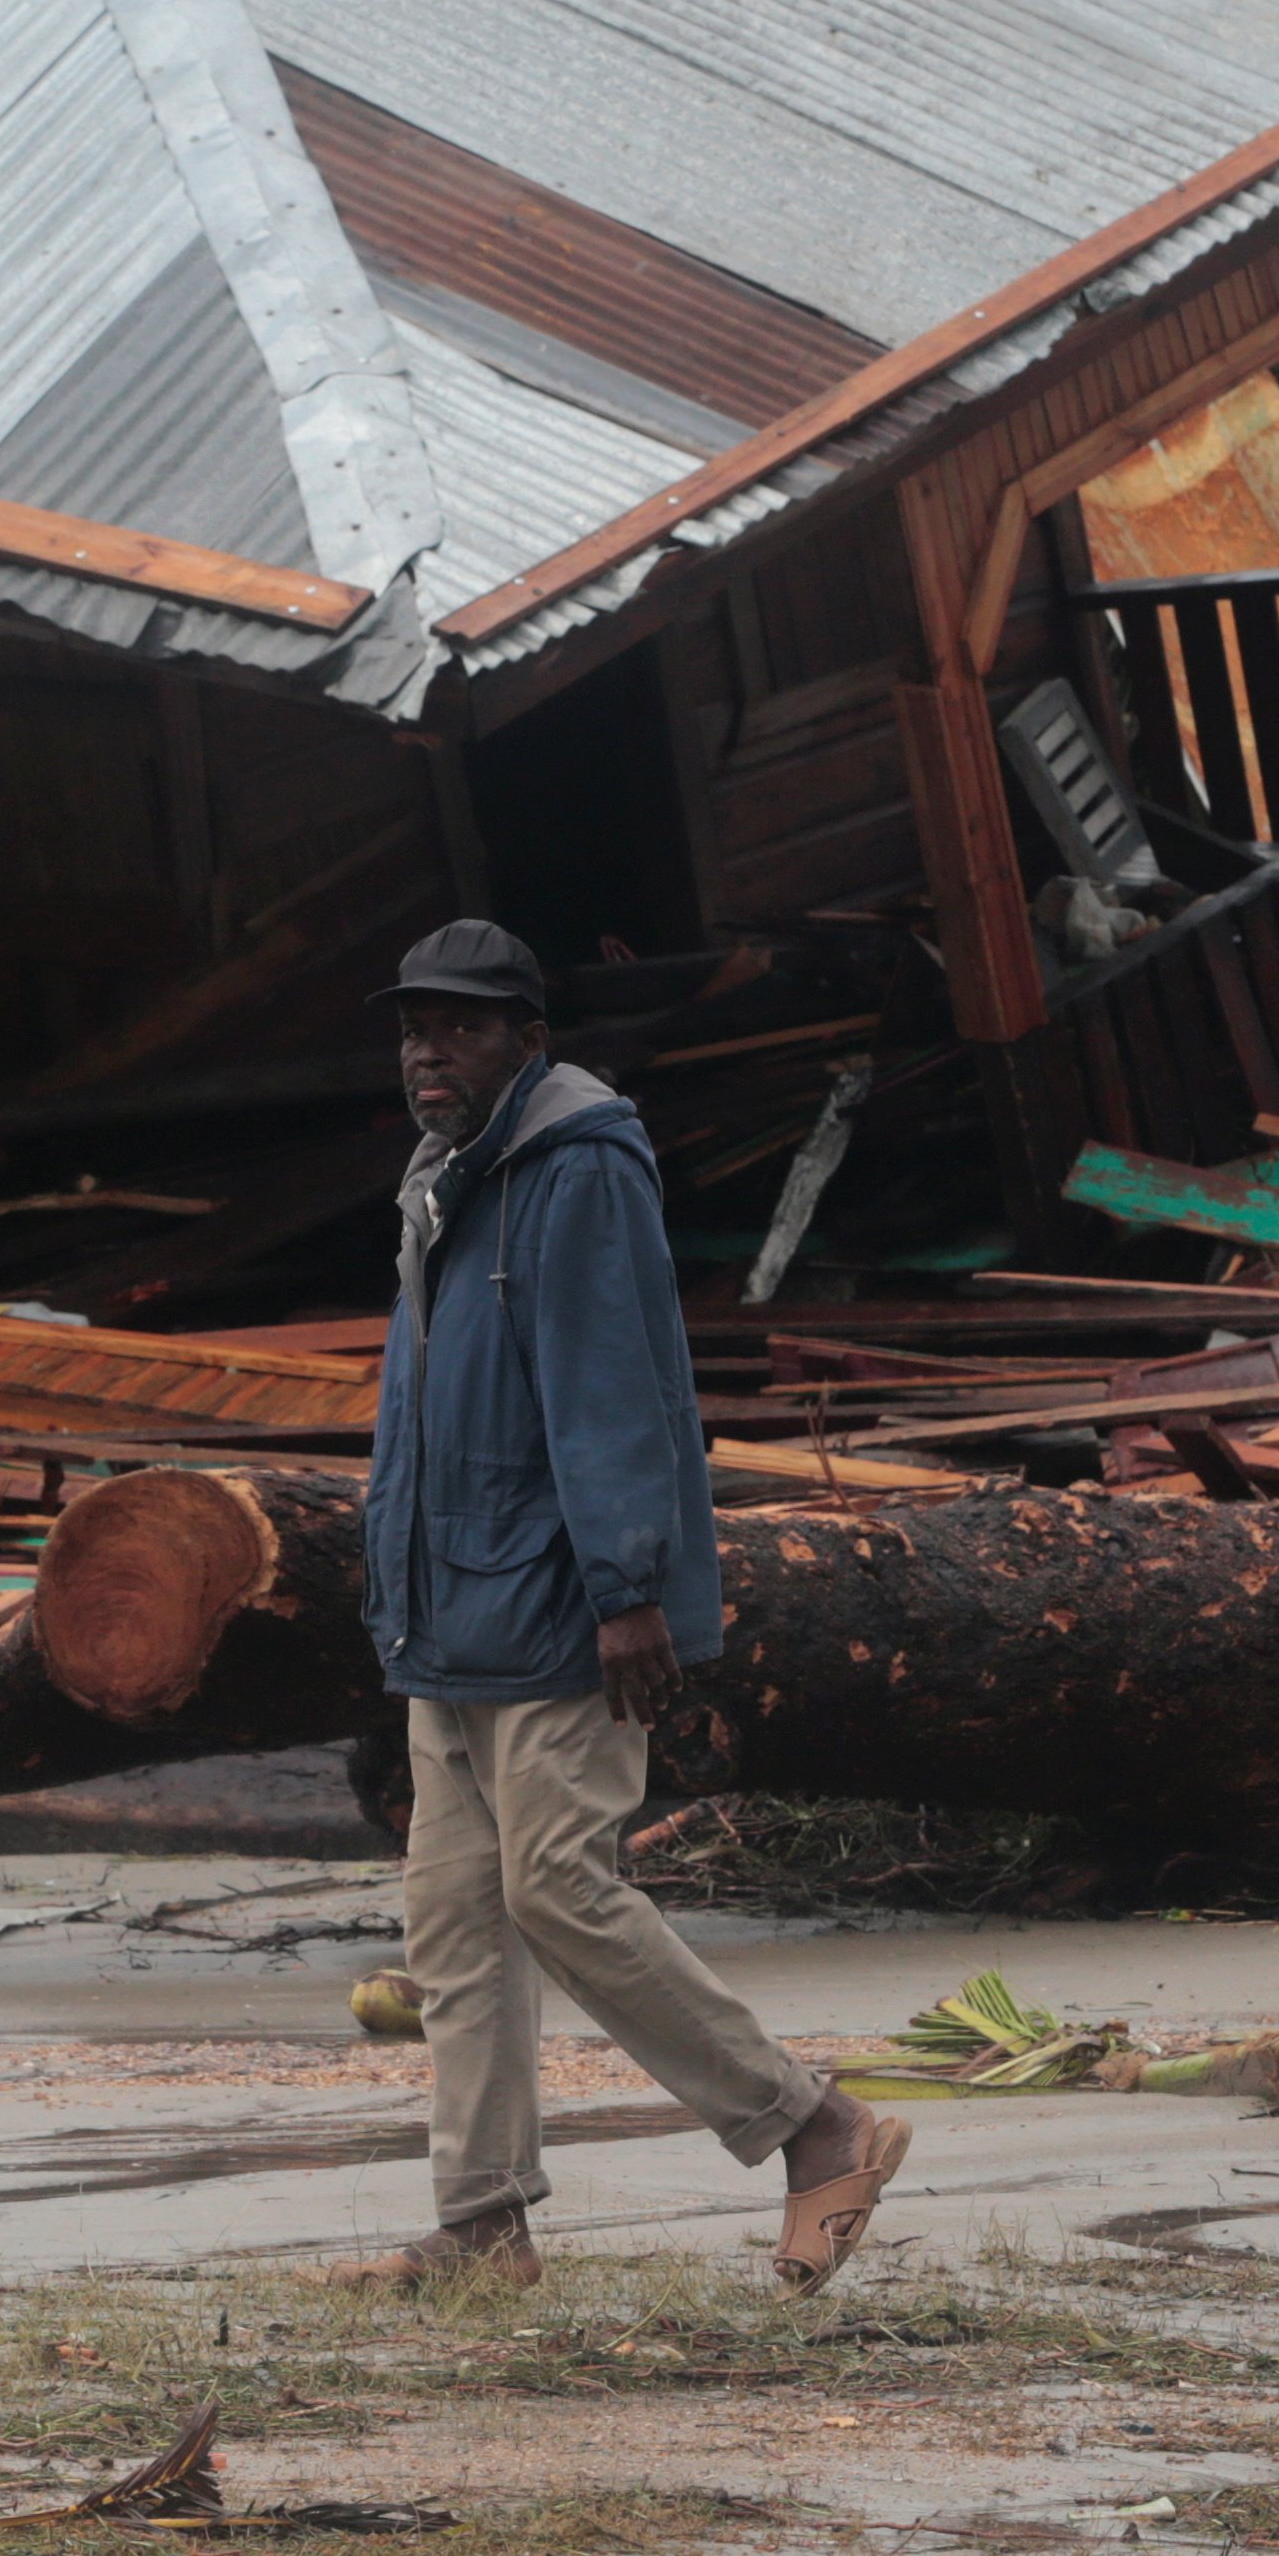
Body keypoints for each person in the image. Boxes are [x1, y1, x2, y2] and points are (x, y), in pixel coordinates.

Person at [310, 917, 913, 2297]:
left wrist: (629, 1587)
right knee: (455, 1930)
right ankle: (482, 2232)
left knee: (563, 1890)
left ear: (531, 1037)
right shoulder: (446, 1176)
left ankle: (816, 2127)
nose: (428, 1052)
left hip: (551, 1607)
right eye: (413, 1027)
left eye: (461, 1026)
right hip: (449, 1618)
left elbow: (614, 1385)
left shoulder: (574, 1167)